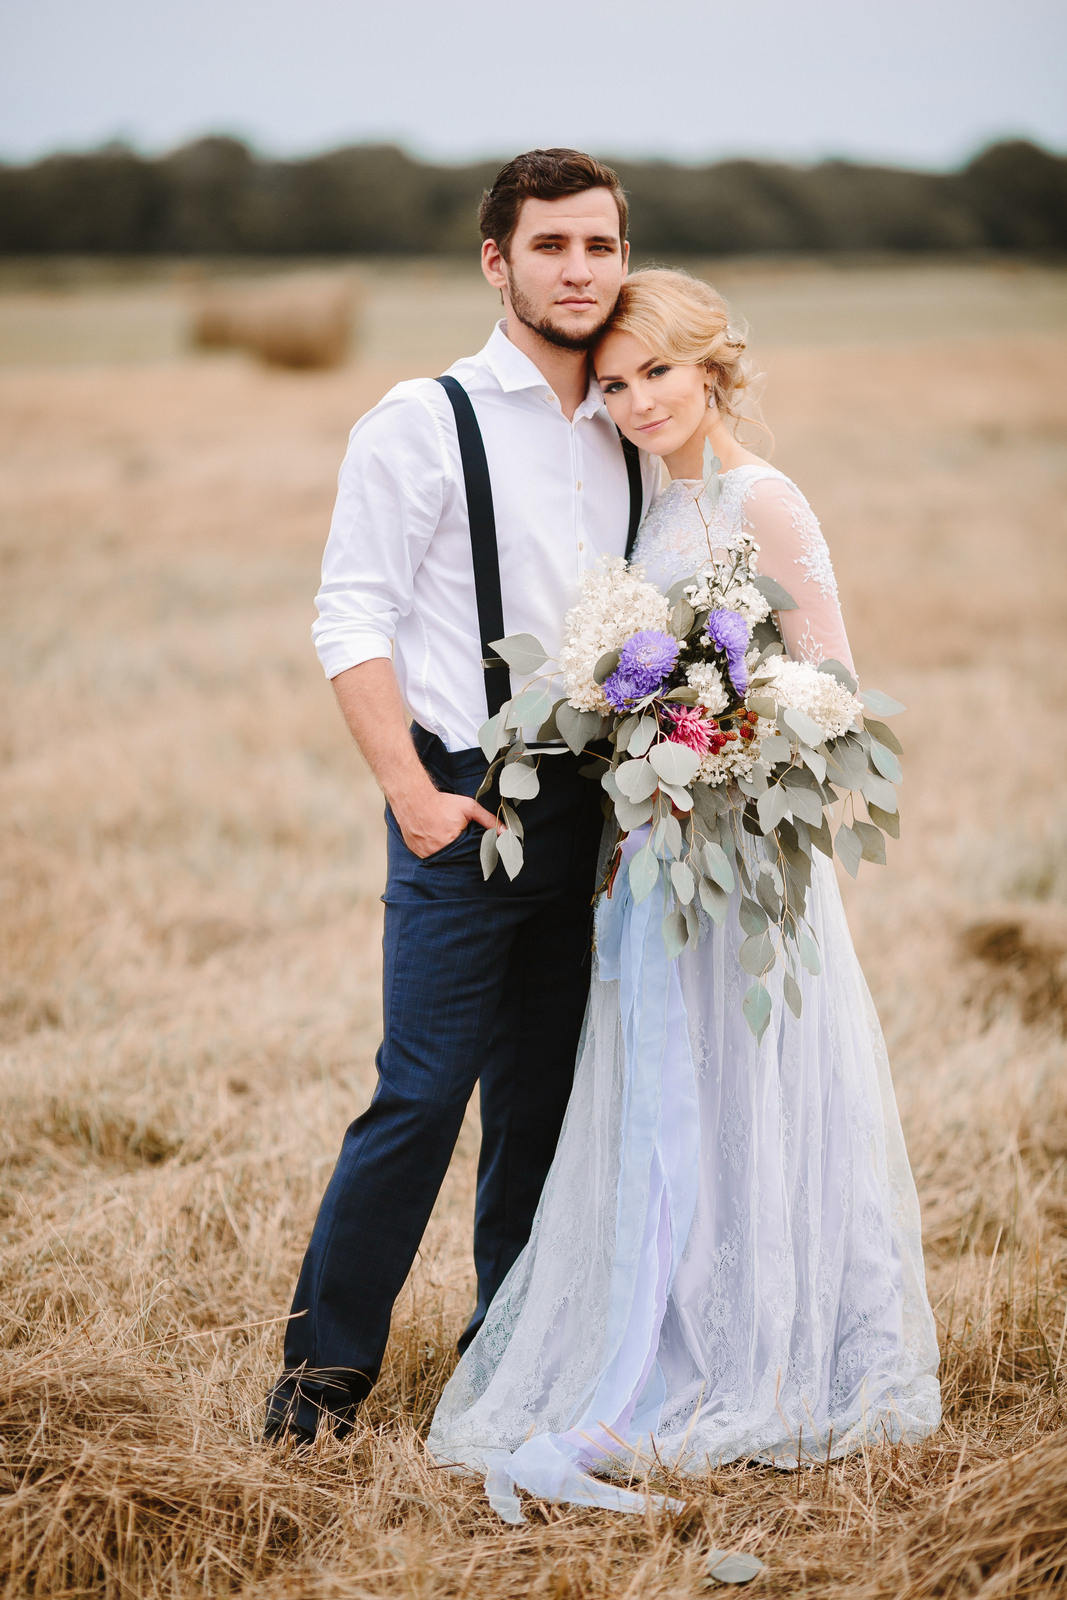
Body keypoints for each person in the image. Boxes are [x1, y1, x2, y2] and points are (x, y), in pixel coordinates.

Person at [427, 270, 942, 1520]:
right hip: (648, 858)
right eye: (612, 383)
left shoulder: (760, 498)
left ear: (712, 366)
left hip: (746, 861)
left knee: (750, 1082)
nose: (635, 398)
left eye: (656, 371)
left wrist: (729, 742)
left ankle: (766, 1347)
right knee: (667, 1093)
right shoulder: (636, 515)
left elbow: (831, 690)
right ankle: (668, 1321)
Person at [265, 150, 659, 1443]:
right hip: (457, 802)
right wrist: (412, 794)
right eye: (551, 246)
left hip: (591, 815)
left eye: (599, 246)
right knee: (421, 1095)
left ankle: (509, 1366)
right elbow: (349, 616)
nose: (579, 270)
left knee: (540, 1105)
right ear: (497, 263)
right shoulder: (418, 420)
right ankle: (319, 1386)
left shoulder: (628, 427)